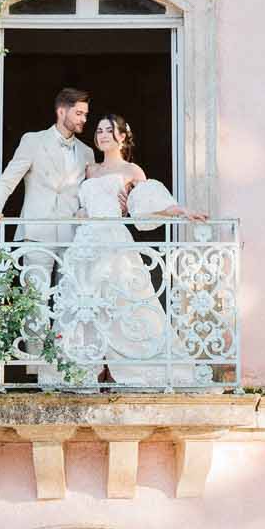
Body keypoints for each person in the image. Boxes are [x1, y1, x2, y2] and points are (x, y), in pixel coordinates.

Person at [54, 114, 211, 388]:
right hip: (85, 243)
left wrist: (183, 211)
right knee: (85, 303)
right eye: (99, 130)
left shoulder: (131, 170)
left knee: (120, 301)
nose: (102, 135)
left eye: (109, 131)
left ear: (122, 137)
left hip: (114, 239)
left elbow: (149, 201)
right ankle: (91, 367)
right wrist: (80, 213)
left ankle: (122, 367)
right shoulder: (90, 170)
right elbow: (83, 205)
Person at [0, 86, 94, 375]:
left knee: (72, 300)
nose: (84, 119)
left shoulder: (87, 152)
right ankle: (38, 369)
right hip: (36, 231)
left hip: (72, 235)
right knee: (35, 301)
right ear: (62, 111)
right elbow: (9, 179)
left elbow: (89, 193)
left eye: (85, 114)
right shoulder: (33, 141)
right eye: (79, 113)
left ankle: (69, 365)